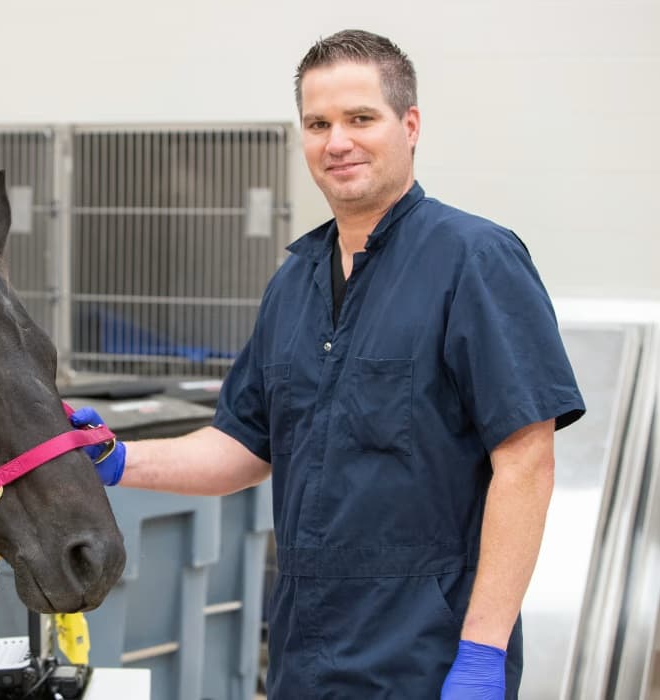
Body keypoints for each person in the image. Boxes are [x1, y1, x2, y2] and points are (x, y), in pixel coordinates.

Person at [71, 29, 584, 699]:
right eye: (318, 124)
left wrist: (482, 653)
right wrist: (116, 458)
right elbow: (241, 447)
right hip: (306, 650)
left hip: (424, 655)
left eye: (359, 118)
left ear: (410, 125)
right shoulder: (293, 282)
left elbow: (526, 464)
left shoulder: (474, 260)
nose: (336, 141)